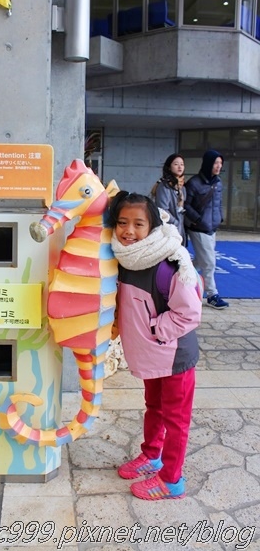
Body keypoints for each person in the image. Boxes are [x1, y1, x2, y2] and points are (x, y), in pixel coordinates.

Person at [108, 192, 202, 501]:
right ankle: (152, 456)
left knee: (176, 419)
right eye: (122, 222)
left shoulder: (167, 264)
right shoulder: (123, 258)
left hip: (175, 357)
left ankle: (172, 479)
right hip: (152, 355)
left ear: (153, 226)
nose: (129, 231)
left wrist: (155, 329)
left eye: (138, 223)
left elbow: (189, 312)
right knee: (155, 408)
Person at [184, 149, 229, 309]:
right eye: (216, 163)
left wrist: (219, 218)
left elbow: (218, 203)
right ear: (208, 163)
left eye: (220, 163)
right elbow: (185, 204)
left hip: (212, 228)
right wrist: (197, 219)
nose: (218, 166)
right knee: (209, 262)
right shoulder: (194, 183)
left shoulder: (218, 182)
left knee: (200, 261)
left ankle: (180, 278)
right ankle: (212, 294)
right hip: (198, 228)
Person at [151, 153, 187, 245]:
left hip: (179, 228)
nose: (180, 167)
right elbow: (162, 209)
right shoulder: (164, 186)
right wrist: (175, 222)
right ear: (169, 167)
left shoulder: (182, 187)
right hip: (169, 229)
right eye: (176, 164)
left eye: (182, 164)